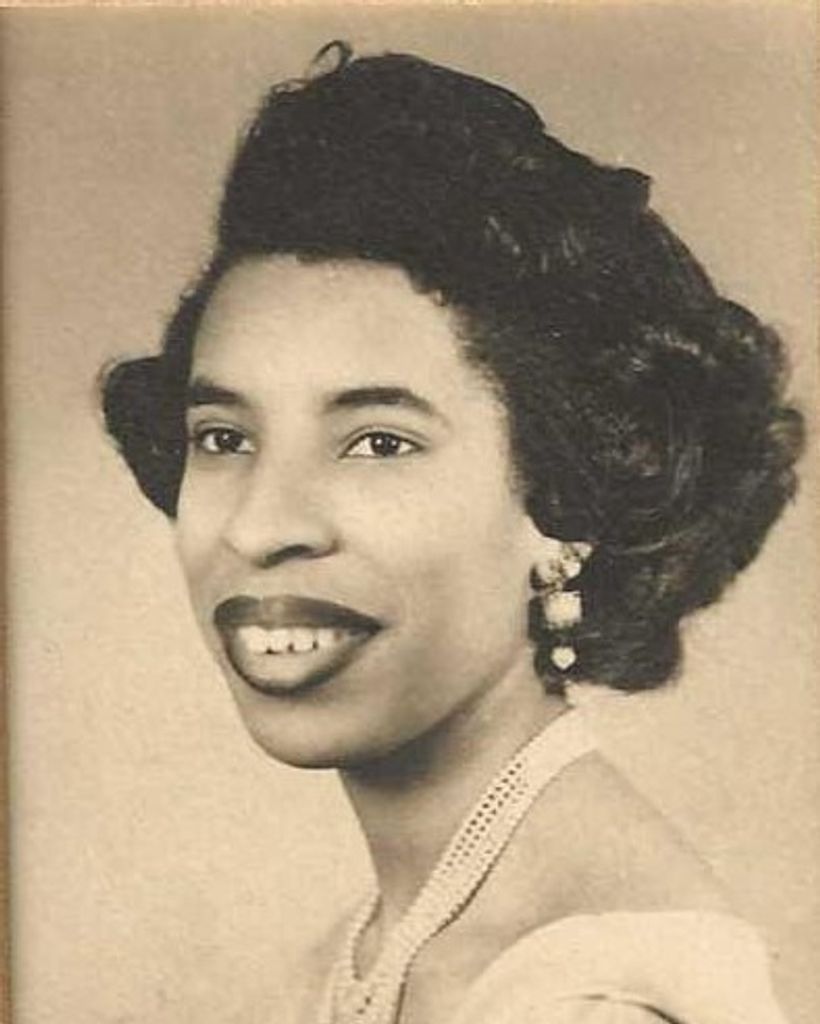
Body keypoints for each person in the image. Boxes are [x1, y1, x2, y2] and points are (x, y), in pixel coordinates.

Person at [101, 42, 802, 1024]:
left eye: (378, 442)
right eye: (223, 437)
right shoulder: (386, 950)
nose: (260, 525)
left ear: (564, 505)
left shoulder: (589, 1001)